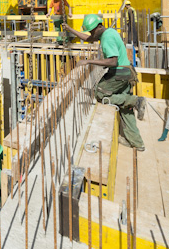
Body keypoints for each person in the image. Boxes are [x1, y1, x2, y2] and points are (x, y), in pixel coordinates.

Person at [63, 14, 146, 151]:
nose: (91, 34)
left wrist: (88, 61)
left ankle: (136, 101)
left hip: (120, 72)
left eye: (92, 31)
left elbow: (112, 61)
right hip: (127, 71)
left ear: (99, 27)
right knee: (125, 107)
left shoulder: (106, 38)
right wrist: (70, 29)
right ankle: (137, 143)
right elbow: (88, 38)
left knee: (100, 93)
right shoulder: (109, 31)